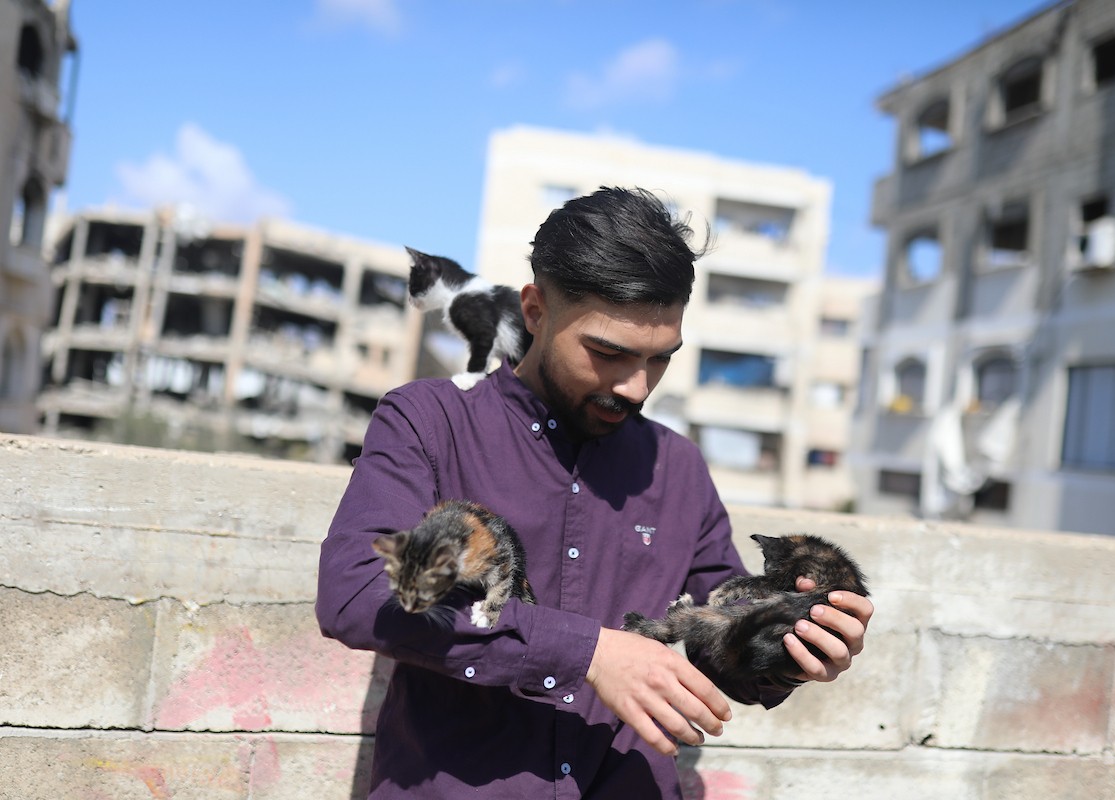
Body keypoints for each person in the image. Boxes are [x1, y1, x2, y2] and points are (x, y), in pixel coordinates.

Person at [316, 186, 873, 799]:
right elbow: (357, 595)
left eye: (660, 359)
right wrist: (587, 653)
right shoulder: (430, 420)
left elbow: (722, 642)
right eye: (608, 353)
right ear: (534, 311)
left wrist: (795, 640)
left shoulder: (678, 468)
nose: (636, 387)